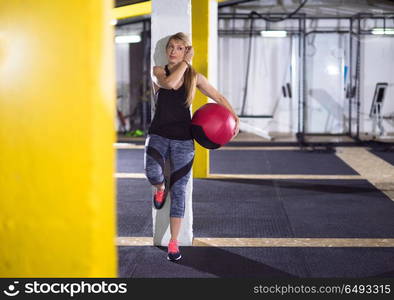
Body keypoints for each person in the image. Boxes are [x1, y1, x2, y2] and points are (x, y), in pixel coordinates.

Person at [144, 32, 239, 261]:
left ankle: (174, 242)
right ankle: (159, 188)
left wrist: (235, 118)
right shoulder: (159, 71)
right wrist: (186, 62)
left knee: (180, 191)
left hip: (184, 140)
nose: (173, 51)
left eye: (179, 48)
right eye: (171, 47)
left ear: (186, 50)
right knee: (152, 172)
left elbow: (217, 96)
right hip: (158, 134)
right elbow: (169, 83)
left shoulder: (194, 77)